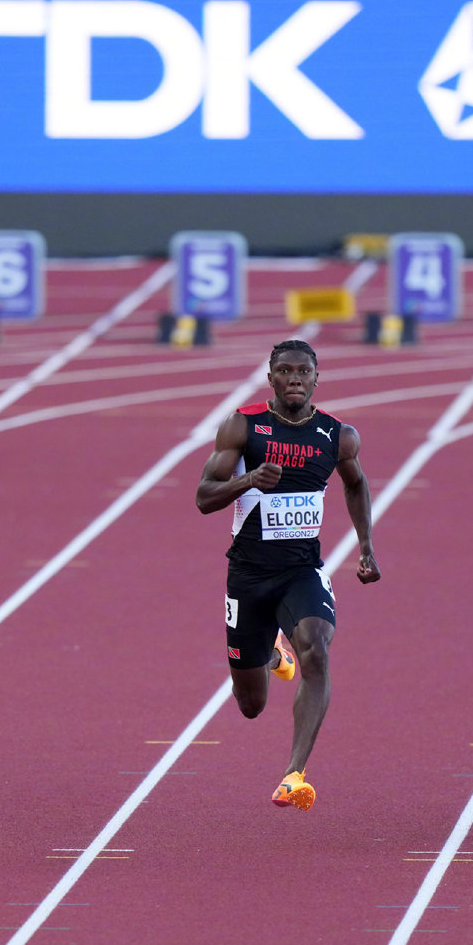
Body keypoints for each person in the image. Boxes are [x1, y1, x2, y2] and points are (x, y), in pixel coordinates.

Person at [194, 339, 380, 812]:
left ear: (316, 378)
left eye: (303, 371)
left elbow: (356, 483)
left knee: (316, 649)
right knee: (250, 705)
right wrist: (248, 479)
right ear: (271, 378)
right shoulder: (243, 425)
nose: (294, 378)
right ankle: (273, 653)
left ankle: (294, 774)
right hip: (248, 576)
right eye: (285, 370)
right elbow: (204, 496)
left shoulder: (337, 435)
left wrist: (366, 546)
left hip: (302, 570)